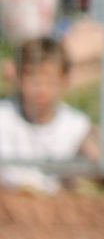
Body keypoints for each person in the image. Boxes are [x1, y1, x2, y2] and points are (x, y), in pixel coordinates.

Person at [0, 38, 95, 194]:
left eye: (49, 80)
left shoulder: (77, 127)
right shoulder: (3, 117)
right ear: (17, 77)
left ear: (64, 79)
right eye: (33, 78)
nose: (41, 88)